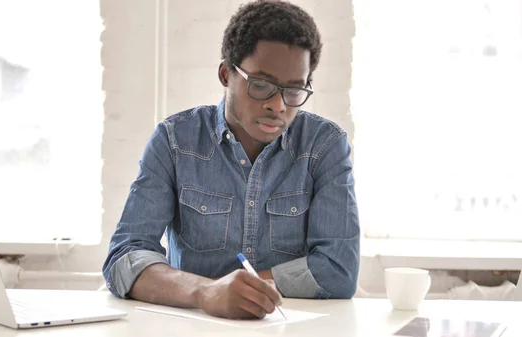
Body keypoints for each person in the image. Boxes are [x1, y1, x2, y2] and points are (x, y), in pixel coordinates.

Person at [103, 0, 360, 320]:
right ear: (226, 74)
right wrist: (206, 292)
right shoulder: (174, 141)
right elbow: (124, 259)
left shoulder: (324, 146)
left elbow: (338, 269)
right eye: (262, 85)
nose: (278, 106)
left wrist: (240, 291)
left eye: (294, 91)